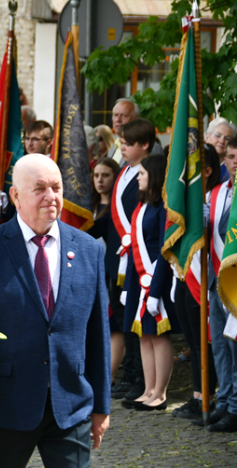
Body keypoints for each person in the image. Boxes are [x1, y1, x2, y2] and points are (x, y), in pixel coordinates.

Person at [0, 153, 110, 468]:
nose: (51, 197)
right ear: (15, 195)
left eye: (56, 187)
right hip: (4, 407)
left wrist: (101, 406)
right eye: (39, 188)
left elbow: (97, 334)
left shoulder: (89, 249)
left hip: (70, 406)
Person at [120, 154, 176, 411]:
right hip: (138, 280)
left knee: (158, 336)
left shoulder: (164, 208)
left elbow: (164, 250)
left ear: (154, 176)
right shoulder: (141, 207)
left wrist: (154, 290)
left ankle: (161, 394)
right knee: (143, 335)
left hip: (157, 280)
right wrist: (128, 287)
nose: (138, 177)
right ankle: (148, 389)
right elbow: (133, 248)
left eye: (142, 174)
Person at [171, 144, 221, 422]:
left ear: (207, 171)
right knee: (192, 339)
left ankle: (208, 397)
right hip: (184, 275)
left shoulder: (214, 197)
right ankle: (197, 395)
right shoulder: (185, 201)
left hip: (205, 276)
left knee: (205, 342)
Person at [109, 118, 155, 402]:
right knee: (124, 319)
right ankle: (129, 375)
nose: (122, 148)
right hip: (118, 257)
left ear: (145, 145)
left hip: (139, 259)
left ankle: (140, 378)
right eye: (122, 143)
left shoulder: (149, 173)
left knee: (138, 320)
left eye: (127, 144)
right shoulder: (125, 170)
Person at [200, 138, 237, 432]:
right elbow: (206, 224)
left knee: (235, 346)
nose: (234, 162)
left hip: (235, 282)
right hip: (215, 279)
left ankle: (236, 405)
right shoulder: (216, 193)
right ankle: (224, 400)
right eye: (230, 156)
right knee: (220, 346)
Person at [87, 157, 122, 385]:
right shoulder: (86, 205)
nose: (100, 180)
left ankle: (108, 375)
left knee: (113, 326)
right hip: (88, 273)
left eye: (106, 175)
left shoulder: (115, 208)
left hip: (109, 273)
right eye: (96, 175)